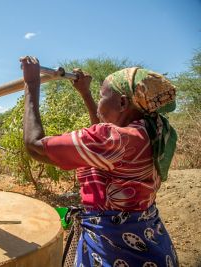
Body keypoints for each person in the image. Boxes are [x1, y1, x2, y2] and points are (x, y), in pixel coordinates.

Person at [20, 56, 179, 267]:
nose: (99, 103)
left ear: (123, 102)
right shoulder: (154, 130)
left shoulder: (115, 141)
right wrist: (85, 93)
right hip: (152, 243)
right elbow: (105, 148)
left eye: (101, 96)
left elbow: (34, 145)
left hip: (114, 252)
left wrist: (31, 84)